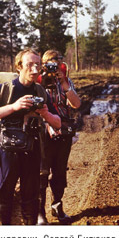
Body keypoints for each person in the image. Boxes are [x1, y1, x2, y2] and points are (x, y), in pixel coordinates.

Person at [0, 49, 61, 225]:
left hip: (32, 148)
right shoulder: (5, 90)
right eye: (30, 65)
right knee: (4, 197)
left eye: (37, 65)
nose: (34, 69)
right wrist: (13, 107)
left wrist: (46, 114)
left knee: (31, 198)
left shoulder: (40, 91)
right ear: (19, 67)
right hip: (7, 150)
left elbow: (58, 123)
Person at [37, 49, 81, 225]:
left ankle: (57, 206)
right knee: (42, 172)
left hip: (63, 130)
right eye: (50, 64)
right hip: (42, 132)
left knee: (60, 171)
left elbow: (76, 104)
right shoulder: (38, 81)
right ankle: (40, 213)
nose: (53, 69)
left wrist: (64, 84)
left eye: (57, 64)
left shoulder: (66, 81)